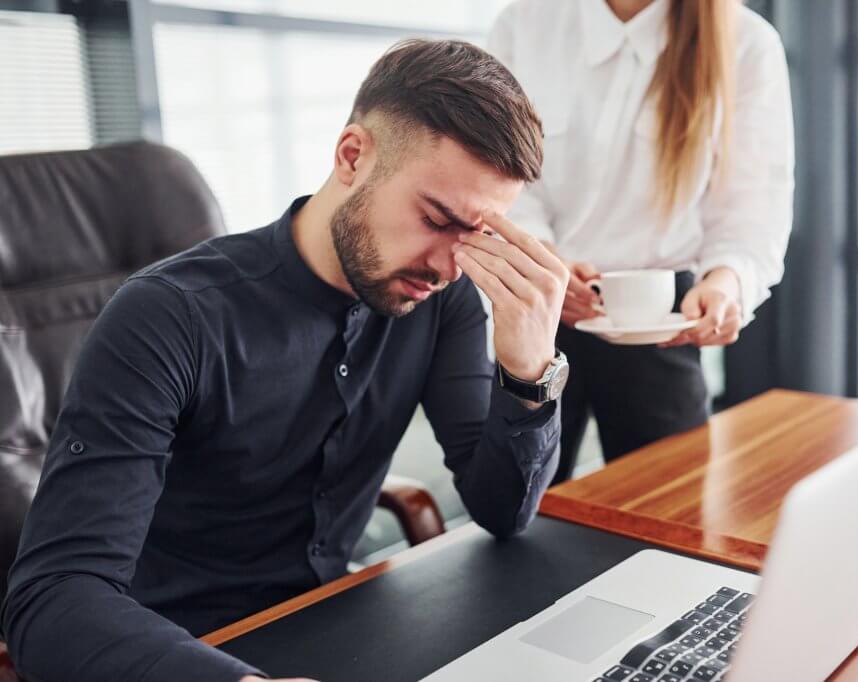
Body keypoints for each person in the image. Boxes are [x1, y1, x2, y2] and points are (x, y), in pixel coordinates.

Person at [1, 39, 571, 682]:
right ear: (352, 156)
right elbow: (52, 598)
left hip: (341, 622)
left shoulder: (442, 299)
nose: (449, 266)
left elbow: (501, 510)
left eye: (476, 234)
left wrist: (529, 370)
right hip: (174, 651)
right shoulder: (168, 316)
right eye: (436, 218)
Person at [488, 0, 794, 481]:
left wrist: (726, 283)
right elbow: (496, 175)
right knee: (518, 505)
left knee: (672, 517)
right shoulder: (524, 24)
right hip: (537, 311)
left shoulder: (747, 44)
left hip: (660, 326)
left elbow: (754, 209)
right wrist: (545, 257)